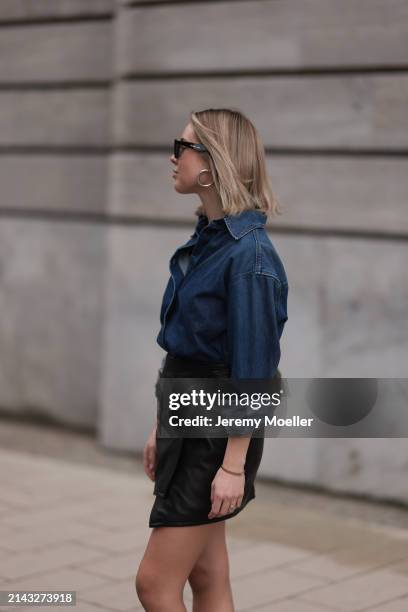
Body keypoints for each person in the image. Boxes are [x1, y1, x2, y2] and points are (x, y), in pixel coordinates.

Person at [135, 108, 289, 611]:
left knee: (154, 585)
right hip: (188, 414)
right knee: (207, 575)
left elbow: (253, 374)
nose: (172, 157)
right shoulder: (210, 240)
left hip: (215, 433)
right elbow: (183, 348)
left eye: (182, 147)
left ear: (210, 164)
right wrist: (163, 422)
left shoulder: (250, 258)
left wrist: (233, 465)